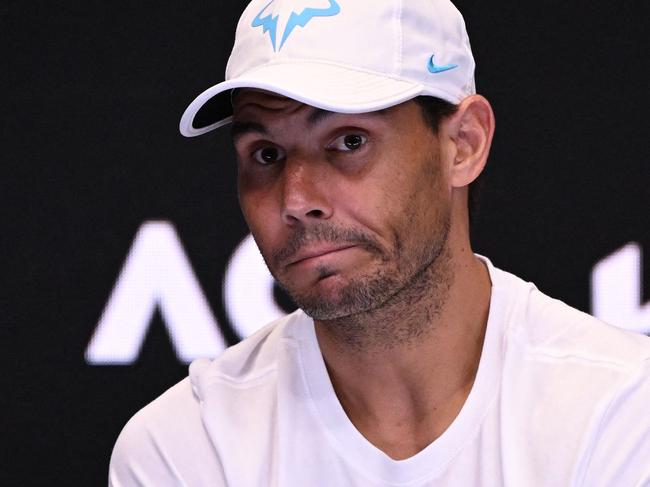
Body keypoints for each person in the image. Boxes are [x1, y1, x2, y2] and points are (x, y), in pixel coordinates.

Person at [109, 0, 650, 485]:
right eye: (266, 155)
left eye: (348, 141)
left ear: (463, 144)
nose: (295, 198)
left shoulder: (622, 412)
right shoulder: (185, 447)